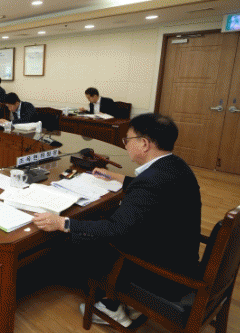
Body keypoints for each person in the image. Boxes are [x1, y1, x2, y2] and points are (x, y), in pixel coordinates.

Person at [33, 113, 202, 327]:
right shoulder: (175, 165)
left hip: (161, 276)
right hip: (181, 257)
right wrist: (115, 177)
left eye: (128, 140)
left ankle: (112, 305)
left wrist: (62, 223)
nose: (125, 145)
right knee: (99, 222)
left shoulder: (150, 182)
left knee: (77, 240)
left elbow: (116, 229)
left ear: (144, 144)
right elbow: (151, 189)